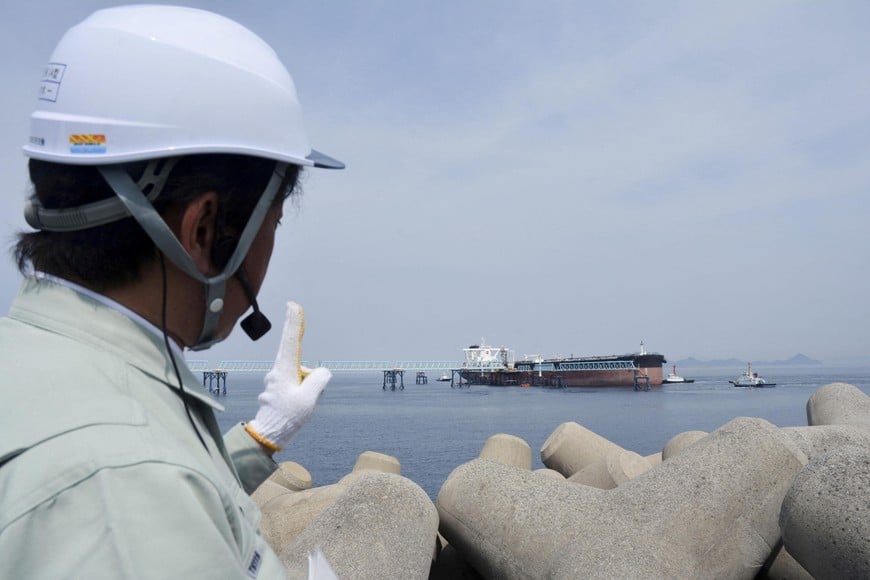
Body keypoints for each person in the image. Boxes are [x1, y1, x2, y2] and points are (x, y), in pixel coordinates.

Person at [0, 5, 343, 578]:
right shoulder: (122, 485)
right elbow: (133, 498)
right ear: (204, 229)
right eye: (274, 220)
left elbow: (170, 501)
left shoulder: (39, 362)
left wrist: (262, 436)